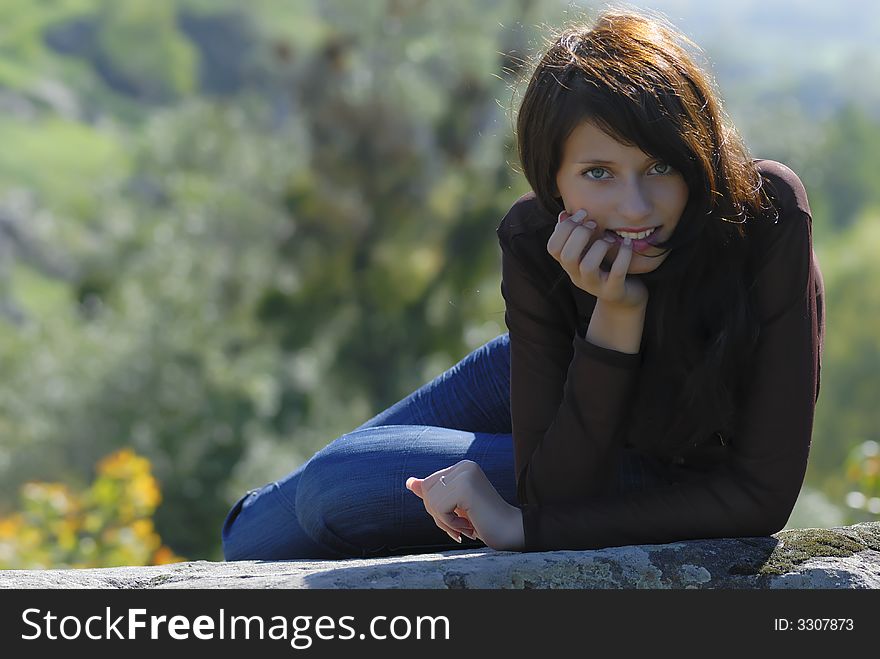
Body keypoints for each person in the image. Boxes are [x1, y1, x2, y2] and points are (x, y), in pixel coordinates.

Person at [221, 9, 824, 560]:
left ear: (698, 155)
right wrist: (615, 312)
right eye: (598, 173)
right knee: (248, 538)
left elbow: (760, 498)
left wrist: (523, 528)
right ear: (554, 180)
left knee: (340, 485)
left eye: (661, 166)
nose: (636, 206)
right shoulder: (534, 237)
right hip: (553, 369)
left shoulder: (764, 216)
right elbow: (549, 483)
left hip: (662, 454)